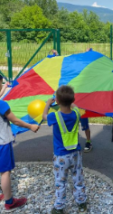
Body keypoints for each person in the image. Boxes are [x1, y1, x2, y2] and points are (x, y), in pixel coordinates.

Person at [0, 71, 39, 211]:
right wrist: (31, 126)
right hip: (2, 143)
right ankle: (9, 202)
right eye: (1, 83)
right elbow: (15, 120)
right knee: (5, 172)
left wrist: (5, 89)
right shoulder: (1, 104)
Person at [42, 85, 87, 214]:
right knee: (78, 179)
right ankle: (81, 203)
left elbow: (44, 116)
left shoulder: (55, 116)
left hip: (61, 155)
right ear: (73, 100)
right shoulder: (77, 113)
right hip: (76, 154)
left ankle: (60, 207)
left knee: (60, 182)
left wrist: (47, 104)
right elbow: (74, 107)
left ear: (57, 100)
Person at [51, 48, 93, 153]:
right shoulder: (68, 74)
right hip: (69, 103)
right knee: (67, 122)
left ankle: (88, 141)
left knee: (84, 124)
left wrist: (89, 55)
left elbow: (87, 66)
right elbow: (63, 66)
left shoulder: (82, 73)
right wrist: (57, 56)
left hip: (80, 104)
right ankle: (67, 142)